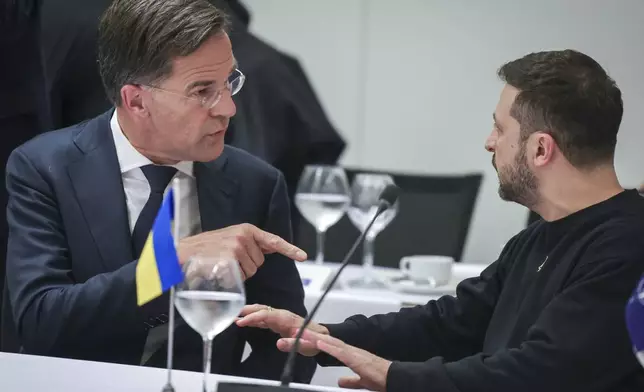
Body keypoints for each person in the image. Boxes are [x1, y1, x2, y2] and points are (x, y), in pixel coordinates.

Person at [236, 49, 644, 391]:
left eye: (500, 129)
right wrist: (327, 335)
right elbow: (452, 322)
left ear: (541, 149)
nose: (489, 141)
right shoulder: (539, 236)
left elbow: (539, 373)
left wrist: (395, 376)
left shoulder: (627, 246)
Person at [4, 0, 316, 382]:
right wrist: (169, 262)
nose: (229, 108)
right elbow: (39, 321)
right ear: (136, 100)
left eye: (229, 83)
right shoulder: (44, 167)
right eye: (203, 91)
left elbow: (288, 347)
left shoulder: (257, 184)